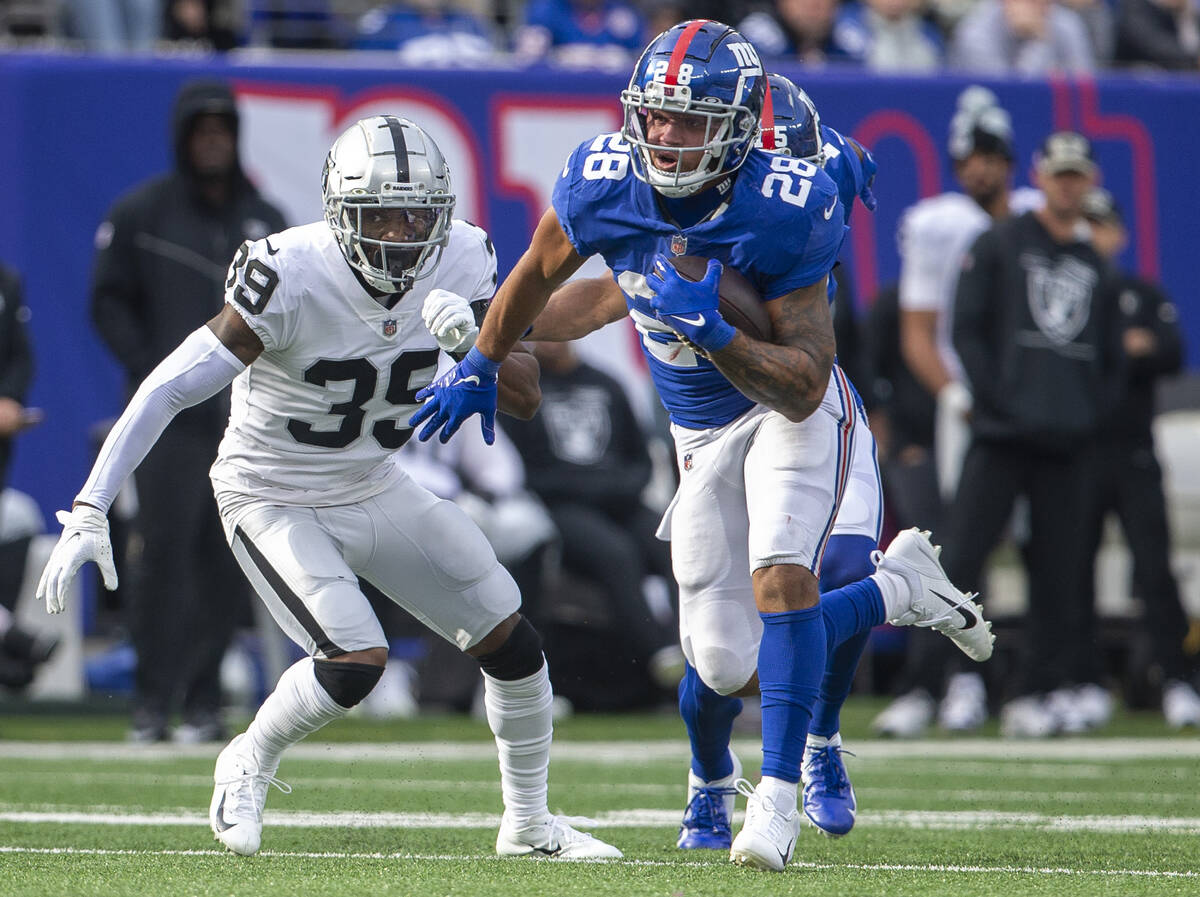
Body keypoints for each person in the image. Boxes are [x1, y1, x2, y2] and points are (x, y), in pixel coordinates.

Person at [409, 20, 992, 871]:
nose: (664, 137)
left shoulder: (791, 200)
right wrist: (485, 349)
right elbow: (569, 285)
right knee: (721, 661)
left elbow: (802, 378)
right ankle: (898, 590)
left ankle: (779, 794)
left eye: (690, 121)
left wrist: (715, 329)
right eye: (655, 116)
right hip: (699, 431)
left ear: (748, 133)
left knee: (787, 574)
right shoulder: (607, 182)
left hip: (788, 407)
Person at [37, 114, 621, 862]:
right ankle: (247, 756)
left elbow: (528, 394)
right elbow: (168, 387)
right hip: (268, 488)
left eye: (418, 212)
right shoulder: (290, 271)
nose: (404, 232)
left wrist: (469, 347)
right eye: (381, 212)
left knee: (510, 635)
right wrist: (91, 505)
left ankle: (531, 824)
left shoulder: (465, 256)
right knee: (354, 657)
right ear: (340, 212)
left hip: (370, 479)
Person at [90, 79, 288, 744]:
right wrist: (152, 367)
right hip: (170, 420)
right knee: (163, 555)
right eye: (201, 129)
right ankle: (152, 698)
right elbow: (107, 299)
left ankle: (203, 700)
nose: (213, 140)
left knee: (226, 556)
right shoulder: (144, 213)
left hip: (241, 415)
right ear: (183, 138)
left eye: (222, 128)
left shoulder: (263, 221)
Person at [876, 86, 1040, 739]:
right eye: (971, 155)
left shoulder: (1032, 219)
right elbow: (920, 332)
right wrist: (958, 396)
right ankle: (943, 680)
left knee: (1023, 542)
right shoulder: (939, 223)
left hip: (1022, 409)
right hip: (966, 409)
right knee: (950, 543)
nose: (981, 167)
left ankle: (1022, 682)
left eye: (992, 154)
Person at [949, 131, 1120, 738]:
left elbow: (1108, 357)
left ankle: (1039, 687)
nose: (1069, 185)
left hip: (1066, 440)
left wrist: (1087, 414)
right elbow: (966, 331)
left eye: (1079, 176)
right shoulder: (1000, 242)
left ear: (1089, 183)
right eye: (1060, 175)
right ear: (1042, 179)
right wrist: (999, 400)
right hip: (1002, 433)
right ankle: (948, 683)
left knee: (1060, 569)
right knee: (960, 555)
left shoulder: (1093, 263)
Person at [1080, 187, 1200, 728]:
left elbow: (1171, 351)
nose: (1095, 235)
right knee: (1069, 567)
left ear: (1119, 234)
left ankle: (1177, 678)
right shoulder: (1068, 292)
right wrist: (1121, 348)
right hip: (1077, 451)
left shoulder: (1139, 292)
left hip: (1132, 450)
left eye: (1102, 225)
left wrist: (1131, 348)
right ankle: (1081, 681)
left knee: (1154, 567)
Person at [501, 339, 681, 687]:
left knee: (671, 546)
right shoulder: (525, 391)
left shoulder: (607, 383)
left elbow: (641, 459)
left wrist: (617, 488)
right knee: (616, 554)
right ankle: (659, 657)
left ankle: (690, 645)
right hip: (560, 506)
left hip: (620, 500)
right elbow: (520, 468)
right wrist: (582, 488)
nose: (547, 341)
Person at [0, 263, 54, 689]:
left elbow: (20, 355)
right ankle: (11, 643)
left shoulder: (6, 281)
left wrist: (9, 399)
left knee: (17, 517)